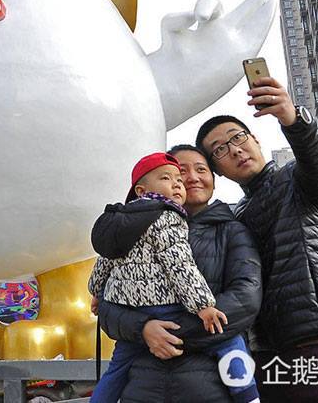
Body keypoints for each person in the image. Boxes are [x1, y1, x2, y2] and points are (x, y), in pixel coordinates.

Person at [196, 76, 318, 402]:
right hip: (269, 357)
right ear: (217, 171)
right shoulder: (235, 218)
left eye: (238, 137)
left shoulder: (295, 180)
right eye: (220, 150)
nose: (235, 149)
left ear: (256, 140)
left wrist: (292, 118)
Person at [95, 145, 262, 402]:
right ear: (144, 188)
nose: (188, 179)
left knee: (115, 371)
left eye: (201, 169)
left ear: (214, 180)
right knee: (230, 348)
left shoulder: (231, 230)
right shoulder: (167, 221)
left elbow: (245, 301)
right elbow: (179, 268)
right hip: (144, 389)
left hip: (207, 389)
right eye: (178, 173)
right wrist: (145, 330)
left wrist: (159, 333)